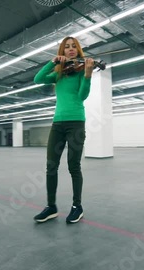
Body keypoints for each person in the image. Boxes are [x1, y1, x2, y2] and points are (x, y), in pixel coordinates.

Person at [32, 36, 94, 224]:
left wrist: (88, 75)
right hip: (57, 124)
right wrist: (52, 62)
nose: (70, 49)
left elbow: (82, 96)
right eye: (66, 47)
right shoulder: (58, 74)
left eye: (74, 46)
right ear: (62, 52)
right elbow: (38, 79)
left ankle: (77, 207)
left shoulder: (81, 70)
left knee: (73, 166)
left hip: (76, 123)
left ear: (78, 50)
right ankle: (51, 207)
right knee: (51, 166)